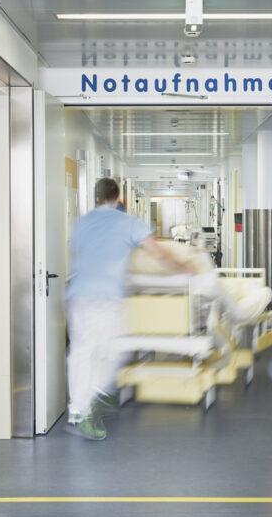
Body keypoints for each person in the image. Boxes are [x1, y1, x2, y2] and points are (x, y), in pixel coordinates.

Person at [65, 178, 195, 440]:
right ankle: (91, 402)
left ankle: (79, 408)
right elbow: (159, 253)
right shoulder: (129, 223)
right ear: (118, 198)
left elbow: (81, 253)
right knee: (111, 352)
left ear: (96, 196)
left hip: (78, 296)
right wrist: (185, 267)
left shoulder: (81, 223)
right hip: (106, 298)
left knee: (81, 352)